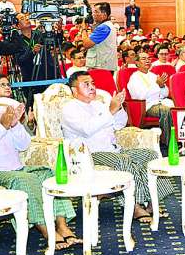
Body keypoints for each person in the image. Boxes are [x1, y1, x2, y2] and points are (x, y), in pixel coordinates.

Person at [0, 71, 80, 250]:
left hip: (17, 168)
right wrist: (2, 126)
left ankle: (62, 226)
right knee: (25, 180)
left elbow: (24, 144)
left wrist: (14, 126)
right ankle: (48, 232)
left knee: (47, 174)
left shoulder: (1, 110)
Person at [60, 71, 173, 225]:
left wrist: (118, 109)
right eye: (86, 84)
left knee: (150, 155)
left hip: (113, 149)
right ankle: (133, 205)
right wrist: (110, 111)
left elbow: (119, 124)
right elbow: (86, 129)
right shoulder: (69, 108)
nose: (92, 87)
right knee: (123, 161)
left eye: (93, 83)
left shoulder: (98, 104)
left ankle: (152, 201)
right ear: (74, 90)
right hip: (90, 155)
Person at [126, 50, 175, 150]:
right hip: (146, 106)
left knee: (176, 108)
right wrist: (157, 85)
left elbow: (165, 94)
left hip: (159, 102)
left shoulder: (153, 76)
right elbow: (140, 96)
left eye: (149, 59)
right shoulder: (134, 78)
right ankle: (167, 143)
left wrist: (161, 86)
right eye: (144, 59)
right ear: (137, 63)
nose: (147, 61)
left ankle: (178, 139)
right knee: (165, 111)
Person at [81, 2, 121, 71]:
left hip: (101, 68)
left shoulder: (103, 27)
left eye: (96, 12)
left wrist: (83, 29)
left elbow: (86, 44)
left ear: (104, 15)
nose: (93, 14)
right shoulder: (108, 25)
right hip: (105, 66)